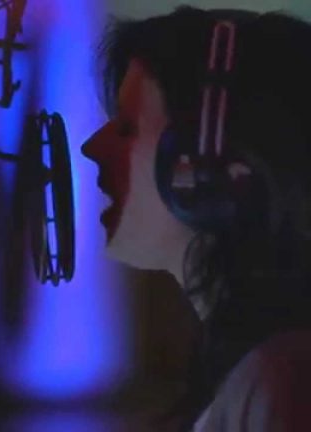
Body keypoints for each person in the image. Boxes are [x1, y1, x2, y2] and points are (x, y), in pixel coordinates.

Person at [81, 6, 311, 431]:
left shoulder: (280, 381)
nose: (93, 148)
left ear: (213, 170)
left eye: (127, 128)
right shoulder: (265, 376)